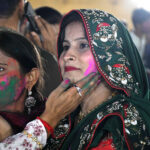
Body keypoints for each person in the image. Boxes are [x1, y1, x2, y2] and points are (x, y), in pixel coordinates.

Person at [43, 9, 150, 150]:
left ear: (111, 54)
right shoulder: (63, 111)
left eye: (83, 45)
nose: (67, 55)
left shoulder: (119, 125)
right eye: (65, 46)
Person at [0, 28, 99, 149]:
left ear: (30, 77)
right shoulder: (52, 114)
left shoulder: (60, 114)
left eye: (0, 69)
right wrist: (47, 121)